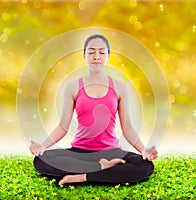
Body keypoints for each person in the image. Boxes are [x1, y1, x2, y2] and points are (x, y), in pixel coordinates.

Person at [29, 34, 158, 186]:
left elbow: (127, 128)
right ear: (84, 55)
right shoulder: (72, 87)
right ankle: (101, 169)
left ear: (108, 56)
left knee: (145, 166)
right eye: (91, 52)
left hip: (112, 152)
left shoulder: (120, 87)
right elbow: (63, 127)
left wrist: (143, 151)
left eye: (102, 52)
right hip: (80, 152)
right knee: (41, 160)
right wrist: (43, 146)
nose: (96, 56)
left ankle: (82, 177)